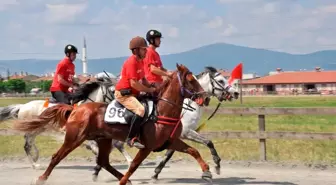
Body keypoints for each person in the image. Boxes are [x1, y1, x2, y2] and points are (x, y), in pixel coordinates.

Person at [114, 36, 156, 149]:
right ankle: (131, 138)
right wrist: (148, 90)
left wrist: (152, 86)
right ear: (136, 50)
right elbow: (134, 84)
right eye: (143, 49)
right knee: (140, 109)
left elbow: (143, 80)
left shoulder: (141, 61)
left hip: (134, 93)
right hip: (124, 95)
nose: (146, 51)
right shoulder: (131, 62)